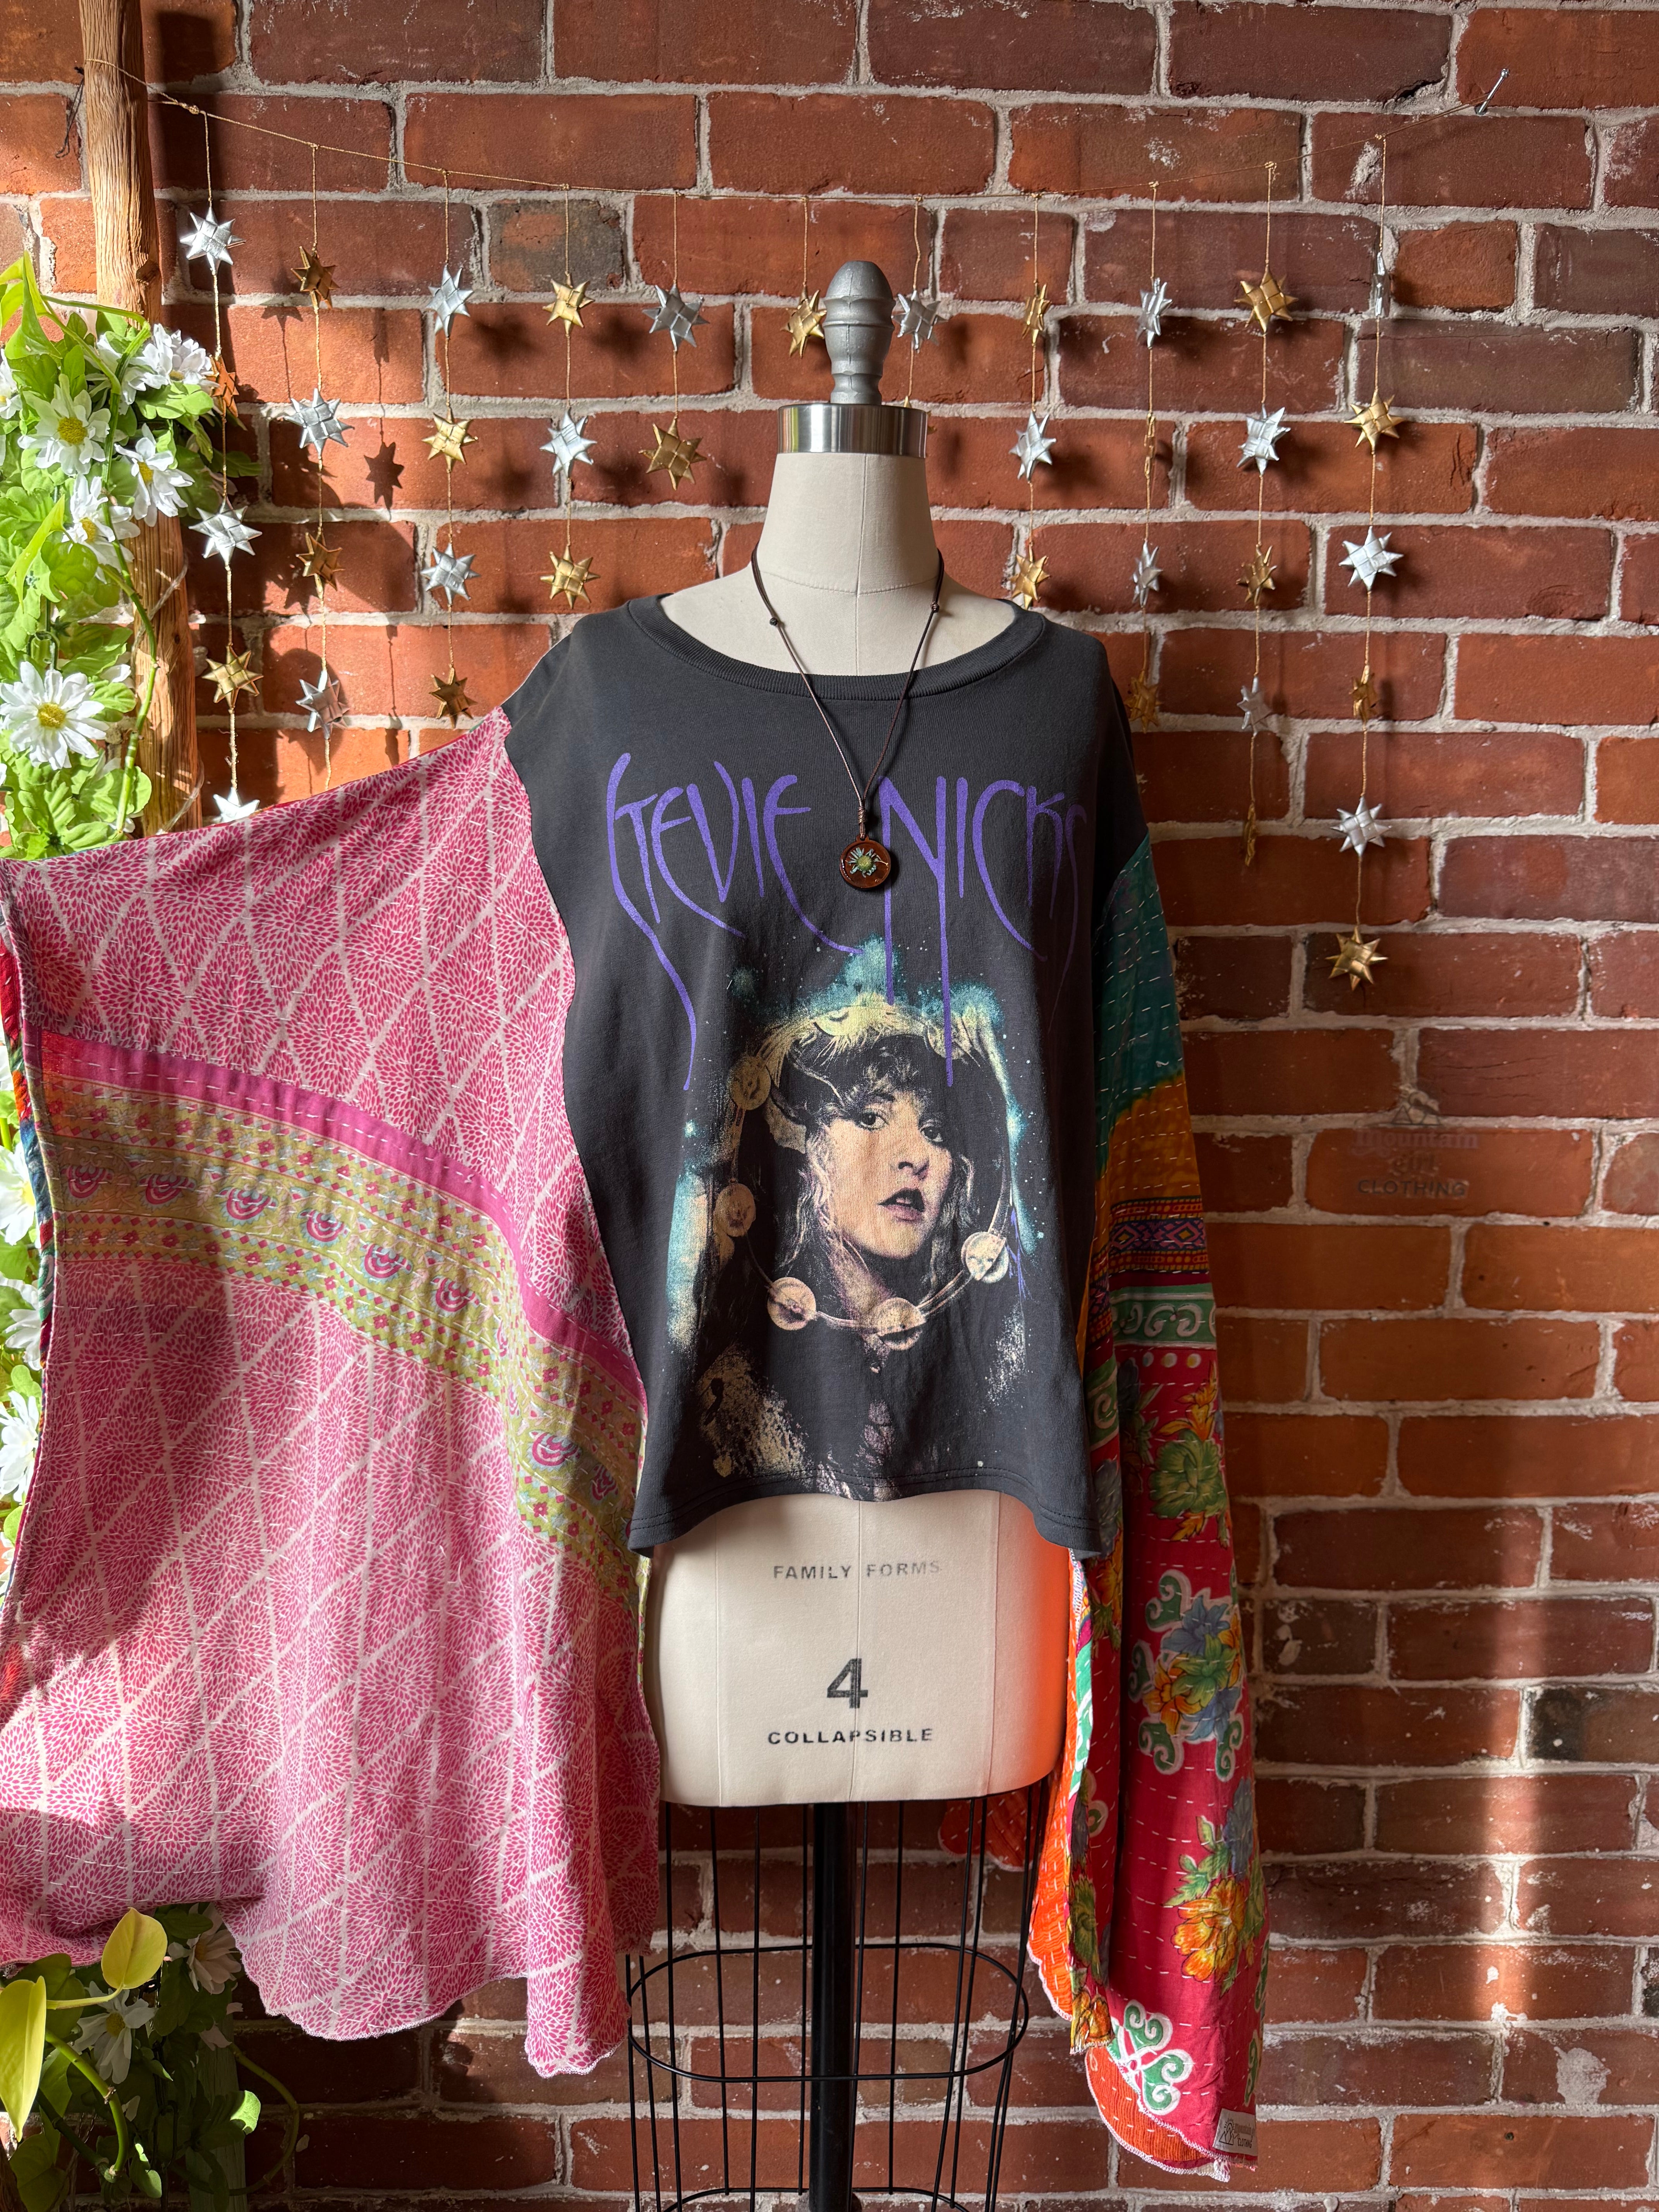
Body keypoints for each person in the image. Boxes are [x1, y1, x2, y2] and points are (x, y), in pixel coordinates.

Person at [683, 999, 1028, 1498]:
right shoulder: (737, 1392)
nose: (915, 1156)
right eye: (870, 1117)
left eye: (935, 1132)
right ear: (808, 1148)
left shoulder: (999, 1369)